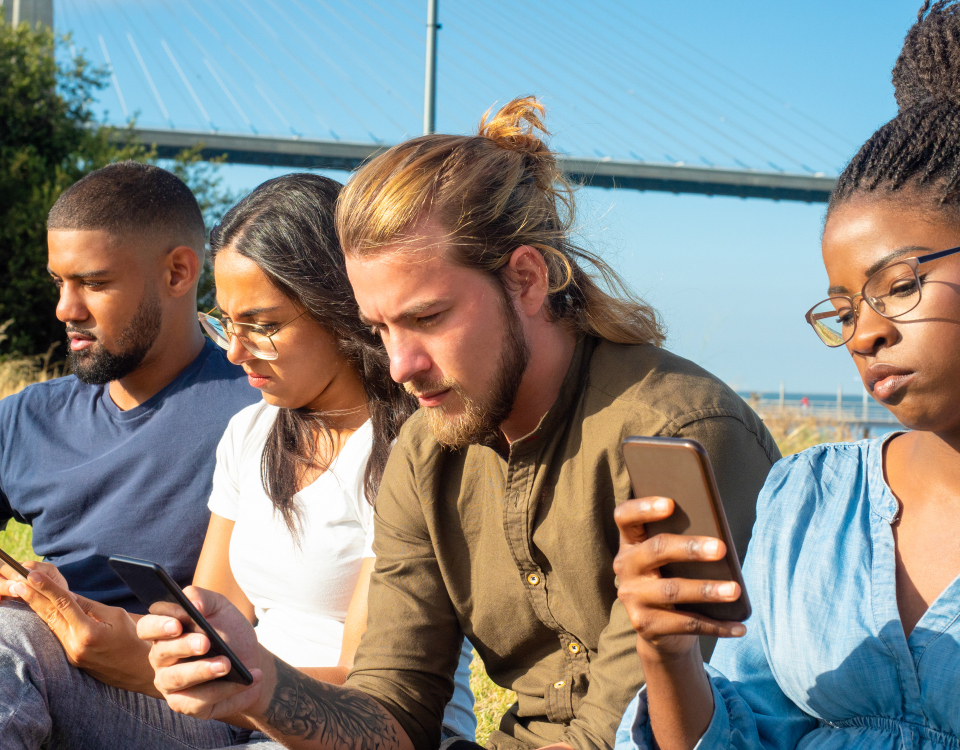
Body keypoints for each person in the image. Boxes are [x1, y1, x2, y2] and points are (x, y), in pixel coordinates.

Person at [137, 97, 780, 750]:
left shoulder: (680, 435)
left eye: (426, 318)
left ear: (526, 279)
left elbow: (628, 733)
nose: (400, 366)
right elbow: (392, 714)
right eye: (378, 329)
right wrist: (264, 686)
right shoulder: (424, 451)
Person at [0, 174, 477, 749]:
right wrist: (74, 614)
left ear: (343, 308)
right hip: (231, 716)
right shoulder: (251, 431)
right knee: (8, 634)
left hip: (339, 728)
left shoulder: (407, 449)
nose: (233, 351)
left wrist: (234, 683)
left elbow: (378, 695)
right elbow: (207, 621)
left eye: (263, 326)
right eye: (227, 323)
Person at [613, 3, 960, 749]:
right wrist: (668, 655)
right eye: (841, 309)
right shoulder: (811, 501)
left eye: (899, 285)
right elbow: (748, 734)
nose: (864, 333)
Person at [0, 160, 258, 620]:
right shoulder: (21, 422)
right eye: (59, 282)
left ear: (178, 273)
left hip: (163, 678)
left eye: (94, 283)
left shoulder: (260, 412)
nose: (65, 309)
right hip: (21, 663)